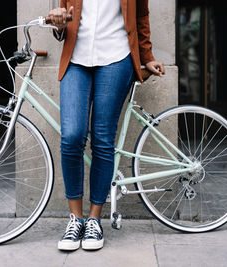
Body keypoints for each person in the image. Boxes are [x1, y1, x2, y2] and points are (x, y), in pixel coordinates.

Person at [47, 0, 165, 251]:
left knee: (102, 138)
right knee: (71, 135)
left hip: (116, 58)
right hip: (76, 58)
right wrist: (58, 25)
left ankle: (93, 219)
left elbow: (141, 16)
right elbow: (64, 21)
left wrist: (147, 56)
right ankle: (75, 219)